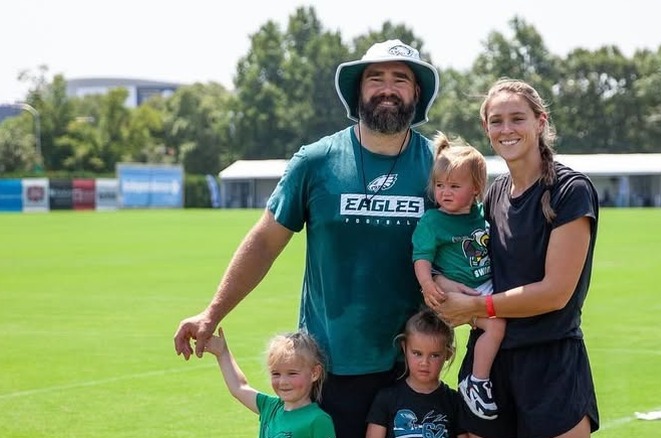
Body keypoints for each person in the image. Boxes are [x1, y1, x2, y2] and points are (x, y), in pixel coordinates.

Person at [173, 39, 440, 438]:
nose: (387, 88)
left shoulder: (440, 167)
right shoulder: (316, 162)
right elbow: (264, 243)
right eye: (375, 78)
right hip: (328, 370)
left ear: (416, 93)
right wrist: (212, 313)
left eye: (400, 79)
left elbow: (467, 249)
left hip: (411, 369)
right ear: (358, 91)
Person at [430, 78, 600, 438]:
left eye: (517, 118)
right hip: (489, 368)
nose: (506, 129)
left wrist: (477, 308)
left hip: (550, 367)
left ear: (540, 122)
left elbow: (555, 293)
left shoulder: (570, 191)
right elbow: (464, 262)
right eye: (496, 121)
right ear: (486, 128)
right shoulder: (492, 196)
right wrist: (447, 290)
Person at [411, 132, 505, 421]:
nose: (444, 192)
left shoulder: (482, 214)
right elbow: (421, 258)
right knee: (496, 325)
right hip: (453, 294)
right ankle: (477, 381)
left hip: (483, 285)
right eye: (439, 185)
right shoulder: (433, 220)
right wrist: (428, 285)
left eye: (454, 185)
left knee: (505, 317)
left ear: (476, 189)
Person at [203, 327, 335, 437]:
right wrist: (222, 353)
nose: (283, 382)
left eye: (292, 373)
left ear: (314, 373)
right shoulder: (269, 407)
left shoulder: (318, 420)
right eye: (276, 374)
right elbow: (239, 387)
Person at [366, 307, 467, 438]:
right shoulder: (387, 398)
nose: (424, 363)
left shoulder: (454, 401)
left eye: (434, 355)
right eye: (417, 353)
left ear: (448, 354)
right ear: (404, 347)